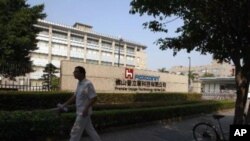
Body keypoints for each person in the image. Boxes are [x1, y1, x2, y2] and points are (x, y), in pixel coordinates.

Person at [61, 66, 102, 141]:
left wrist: (86, 109)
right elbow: (75, 96)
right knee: (90, 131)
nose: (74, 73)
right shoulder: (79, 83)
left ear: (82, 73)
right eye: (74, 71)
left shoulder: (88, 84)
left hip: (83, 113)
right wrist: (64, 104)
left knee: (75, 131)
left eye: (76, 71)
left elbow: (94, 98)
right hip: (80, 112)